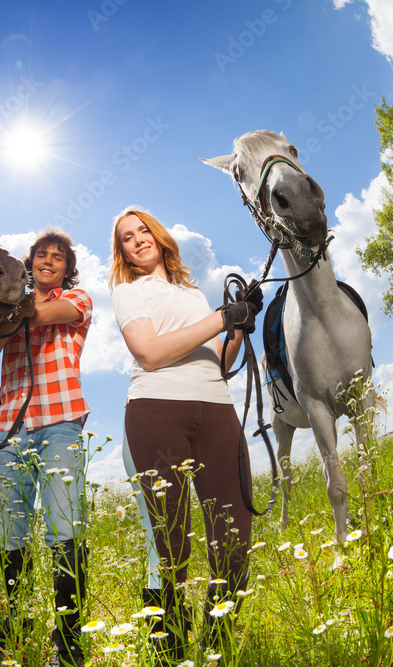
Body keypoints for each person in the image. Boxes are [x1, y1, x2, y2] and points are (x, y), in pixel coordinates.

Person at [108, 207, 262, 662]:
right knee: (172, 545)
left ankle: (217, 647)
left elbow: (221, 359)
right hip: (156, 411)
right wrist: (221, 318)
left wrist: (240, 321)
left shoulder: (192, 292)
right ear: (123, 254)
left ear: (158, 235)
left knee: (235, 538)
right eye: (126, 238)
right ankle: (169, 652)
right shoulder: (127, 292)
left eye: (143, 231)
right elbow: (151, 354)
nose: (137, 240)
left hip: (217, 410)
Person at [0, 227, 92, 667]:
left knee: (65, 528)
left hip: (60, 423)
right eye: (42, 254)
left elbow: (45, 315)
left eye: (58, 257)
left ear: (66, 267)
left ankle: (69, 642)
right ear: (31, 261)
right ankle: (16, 620)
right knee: (10, 532)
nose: (49, 260)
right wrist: (4, 317)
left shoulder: (78, 300)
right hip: (8, 430)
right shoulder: (9, 310)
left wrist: (11, 309)